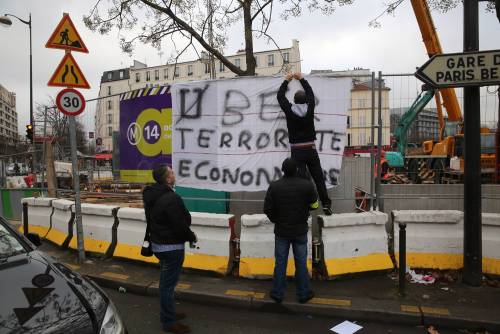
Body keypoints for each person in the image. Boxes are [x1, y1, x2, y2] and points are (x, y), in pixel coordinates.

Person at [143, 165, 197, 334]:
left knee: (166, 283)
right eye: (171, 172)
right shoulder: (171, 198)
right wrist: (191, 236)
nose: (174, 174)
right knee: (167, 286)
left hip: (159, 244)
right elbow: (180, 223)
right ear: (167, 179)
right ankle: (168, 321)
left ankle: (169, 313)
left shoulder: (151, 194)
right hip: (171, 247)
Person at [277, 72, 333, 215]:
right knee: (319, 178)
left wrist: (286, 81)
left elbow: (280, 97)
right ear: (306, 100)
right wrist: (301, 78)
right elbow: (310, 93)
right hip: (311, 149)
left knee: (302, 180)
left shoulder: (289, 110)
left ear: (294, 101)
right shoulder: (310, 108)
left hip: (297, 152)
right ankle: (326, 204)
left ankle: (305, 207)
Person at [264, 158, 318, 304]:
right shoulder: (306, 185)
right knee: (301, 263)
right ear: (296, 170)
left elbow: (267, 209)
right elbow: (315, 205)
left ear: (283, 170)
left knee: (280, 263)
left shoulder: (275, 186)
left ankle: (278, 294)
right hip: (300, 230)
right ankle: (303, 294)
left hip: (281, 231)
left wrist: (276, 219)